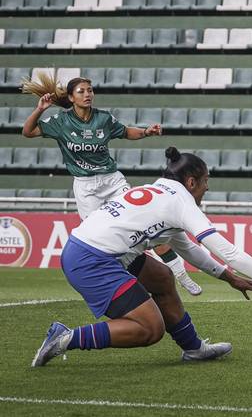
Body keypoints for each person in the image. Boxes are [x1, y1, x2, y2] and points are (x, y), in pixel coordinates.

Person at [32, 147, 252, 367]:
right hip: (91, 260)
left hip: (89, 249)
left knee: (161, 277)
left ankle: (194, 349)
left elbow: (189, 249)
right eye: (206, 181)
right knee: (150, 329)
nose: (208, 187)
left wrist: (230, 278)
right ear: (191, 181)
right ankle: (66, 338)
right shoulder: (181, 202)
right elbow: (228, 251)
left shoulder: (159, 190)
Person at [21, 73, 202, 296]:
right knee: (98, 239)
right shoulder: (61, 122)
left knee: (146, 224)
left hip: (112, 181)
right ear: (71, 97)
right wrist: (40, 109)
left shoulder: (103, 118)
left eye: (90, 90)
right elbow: (28, 132)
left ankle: (181, 274)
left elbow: (125, 132)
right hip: (86, 187)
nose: (87, 94)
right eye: (81, 91)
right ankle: (117, 283)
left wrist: (146, 132)